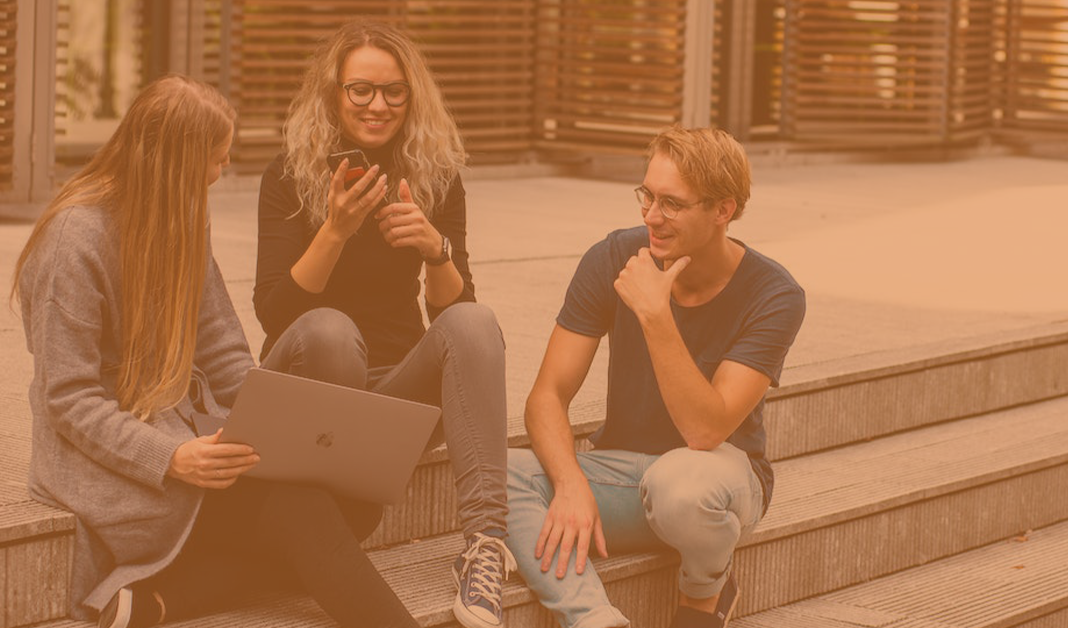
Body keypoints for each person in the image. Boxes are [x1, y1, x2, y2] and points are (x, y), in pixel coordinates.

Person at [11, 75, 421, 628]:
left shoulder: (181, 218)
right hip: (111, 462)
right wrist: (172, 457)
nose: (221, 172)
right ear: (176, 162)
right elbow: (69, 400)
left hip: (190, 434)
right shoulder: (74, 239)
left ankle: (162, 602)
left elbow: (224, 350)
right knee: (304, 513)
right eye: (216, 159)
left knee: (356, 507)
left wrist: (269, 428)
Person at [253, 20, 511, 628]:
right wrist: (335, 230)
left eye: (394, 91)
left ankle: (484, 547)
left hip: (393, 399)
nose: (378, 105)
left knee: (477, 322)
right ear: (333, 93)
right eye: (360, 90)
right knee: (330, 330)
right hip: (310, 387)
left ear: (412, 96)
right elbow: (274, 313)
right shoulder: (288, 176)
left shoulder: (435, 175)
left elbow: (456, 316)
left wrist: (434, 249)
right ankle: (322, 522)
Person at [506, 126, 806, 628]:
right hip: (624, 472)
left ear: (723, 210)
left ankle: (702, 598)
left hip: (719, 480)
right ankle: (595, 618)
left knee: (680, 485)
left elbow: (705, 431)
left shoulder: (774, 294)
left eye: (671, 203)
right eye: (647, 195)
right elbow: (546, 397)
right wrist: (570, 482)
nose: (650, 216)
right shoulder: (612, 257)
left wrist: (655, 316)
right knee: (498, 473)